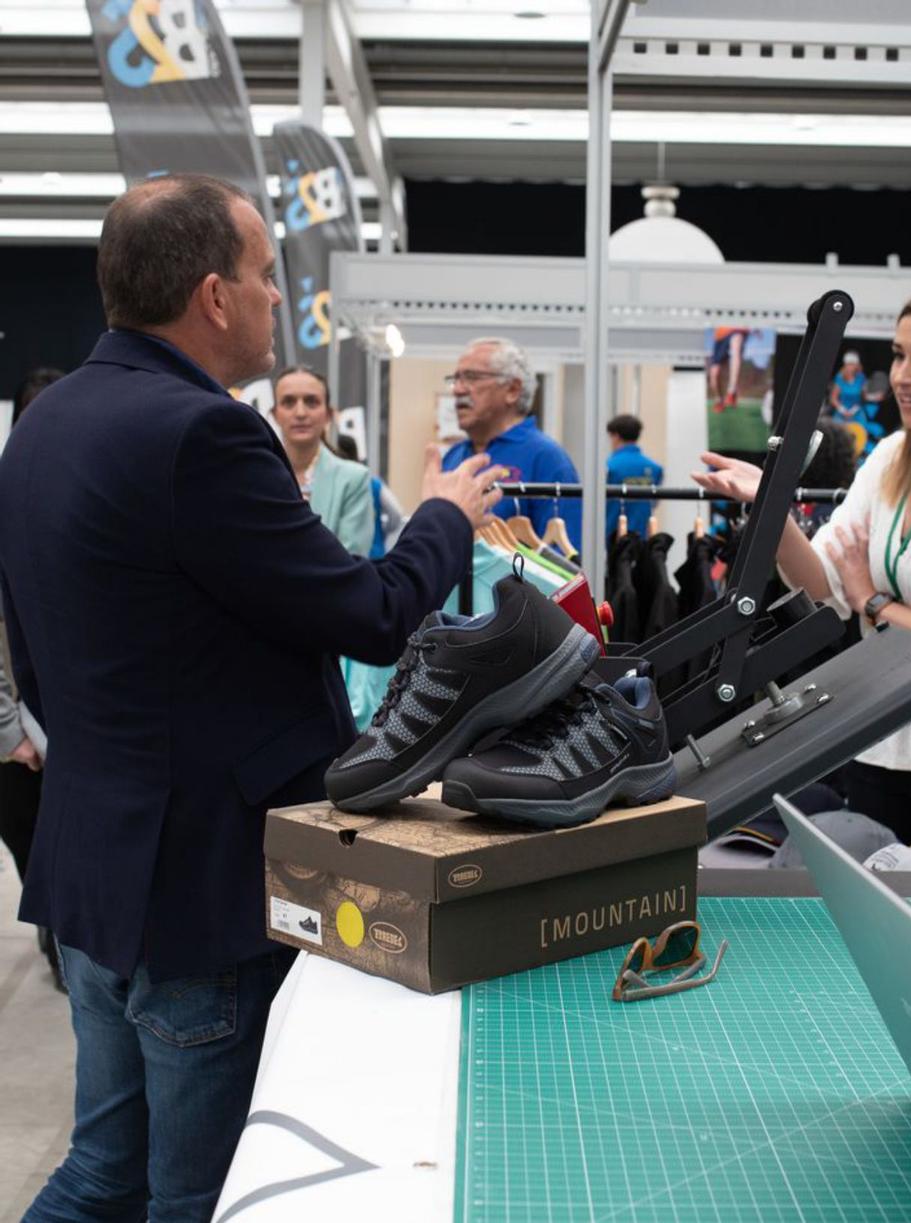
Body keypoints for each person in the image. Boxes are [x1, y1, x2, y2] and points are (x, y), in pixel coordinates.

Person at [0, 173, 501, 1222]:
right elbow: (366, 609)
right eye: (269, 277)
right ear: (215, 297)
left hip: (95, 866)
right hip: (200, 888)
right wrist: (445, 515)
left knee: (103, 1170)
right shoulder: (205, 434)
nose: (281, 299)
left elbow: (39, 662)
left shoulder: (44, 426)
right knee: (193, 1191)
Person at [693, 285, 911, 896]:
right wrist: (773, 508)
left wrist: (872, 601)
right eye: (899, 356)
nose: (903, 377)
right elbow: (826, 584)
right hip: (880, 737)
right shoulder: (888, 458)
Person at [0, 367, 63, 989]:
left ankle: (60, 943)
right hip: (19, 731)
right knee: (33, 843)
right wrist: (8, 730)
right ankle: (55, 944)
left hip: (66, 722)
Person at [442, 336, 581, 545]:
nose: (458, 390)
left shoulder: (547, 458)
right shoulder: (454, 456)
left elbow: (565, 559)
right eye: (456, 379)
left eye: (471, 378)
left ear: (512, 390)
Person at [272, 364, 373, 555]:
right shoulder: (258, 476)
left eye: (311, 402)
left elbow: (352, 558)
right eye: (288, 402)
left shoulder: (353, 480)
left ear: (328, 414)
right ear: (275, 414)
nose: (300, 413)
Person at [605, 414, 663, 538]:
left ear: (616, 436)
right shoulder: (655, 469)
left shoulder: (609, 467)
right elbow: (654, 502)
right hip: (643, 537)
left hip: (613, 537)